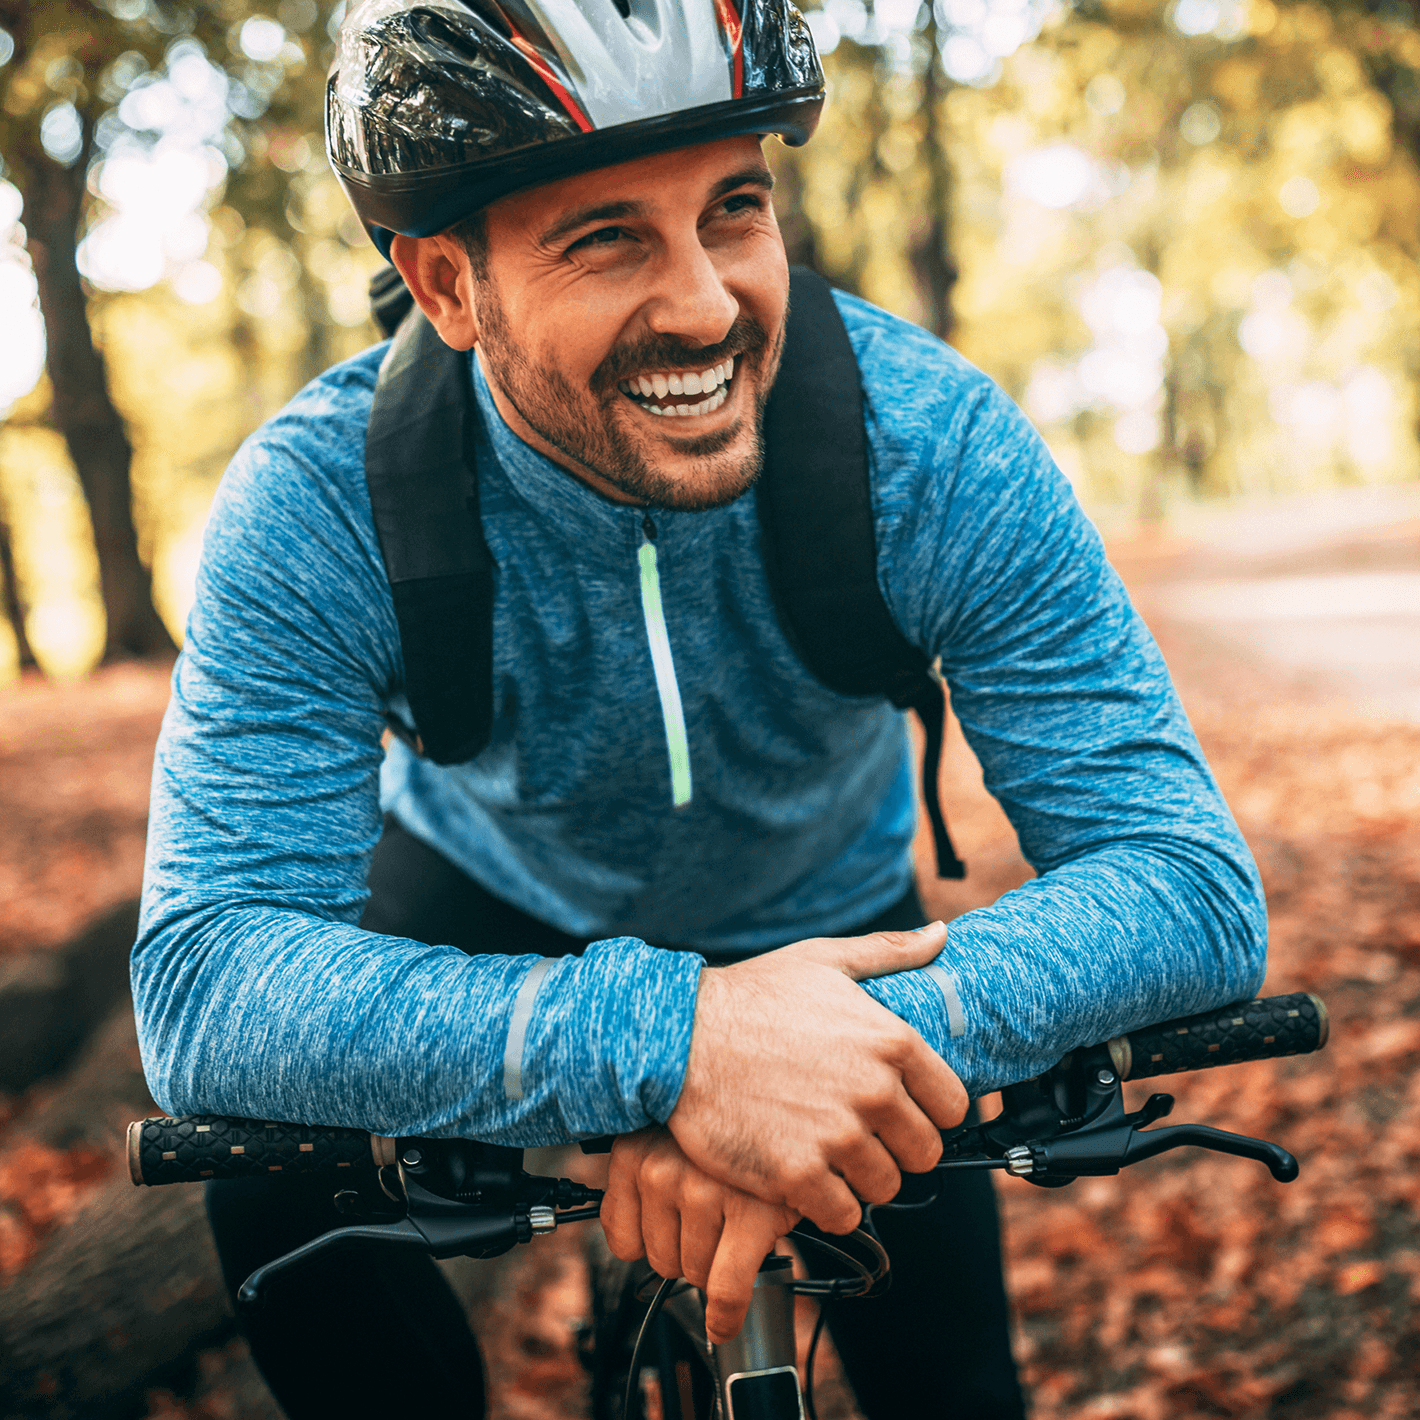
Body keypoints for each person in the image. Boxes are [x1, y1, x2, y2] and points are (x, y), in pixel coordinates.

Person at [131, 1, 1267, 1415]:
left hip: (843, 939)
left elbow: (1189, 881)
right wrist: (678, 1045)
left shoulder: (933, 444)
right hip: (491, 896)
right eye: (606, 237)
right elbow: (208, 982)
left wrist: (824, 1052)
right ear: (445, 284)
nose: (708, 304)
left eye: (733, 209)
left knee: (956, 1391)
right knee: (264, 1181)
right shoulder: (316, 504)